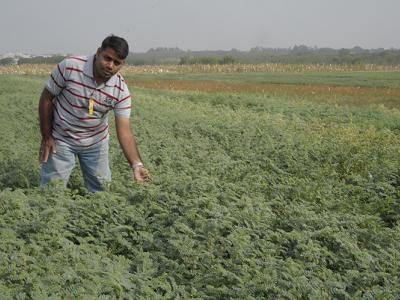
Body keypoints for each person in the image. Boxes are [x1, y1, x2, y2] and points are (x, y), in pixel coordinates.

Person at [38, 35, 150, 192]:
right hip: (61, 139)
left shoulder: (120, 91)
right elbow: (46, 99)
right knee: (51, 192)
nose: (110, 65)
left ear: (122, 64)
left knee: (102, 192)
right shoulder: (70, 67)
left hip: (95, 143)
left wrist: (137, 164)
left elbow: (124, 131)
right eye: (107, 58)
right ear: (98, 53)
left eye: (116, 63)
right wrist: (47, 137)